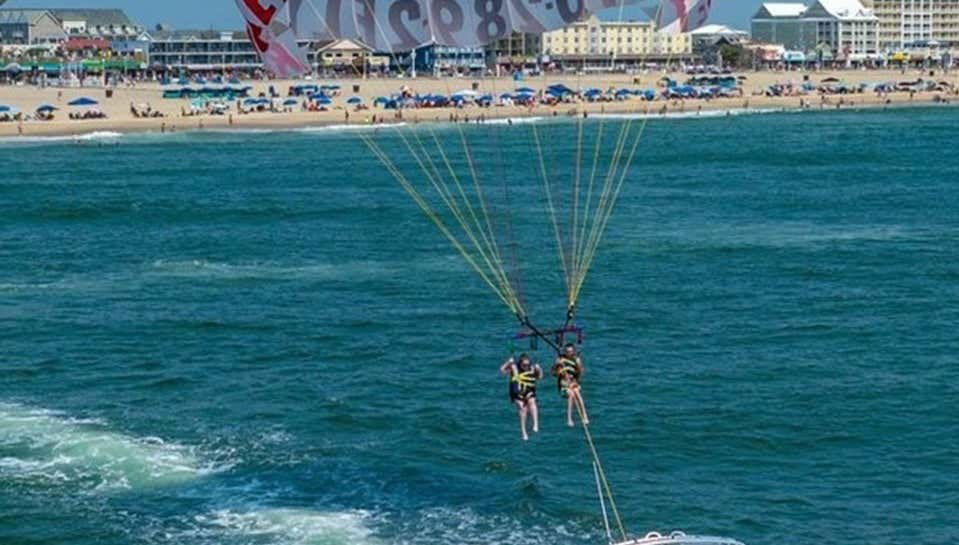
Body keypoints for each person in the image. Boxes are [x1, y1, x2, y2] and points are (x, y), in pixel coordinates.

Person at [500, 353, 542, 441]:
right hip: (517, 391)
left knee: (532, 402)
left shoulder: (532, 367)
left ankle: (535, 424)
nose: (526, 366)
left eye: (527, 365)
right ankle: (523, 432)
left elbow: (540, 377)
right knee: (522, 408)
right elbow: (502, 371)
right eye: (524, 365)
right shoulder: (514, 367)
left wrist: (539, 369)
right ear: (520, 363)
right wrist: (508, 362)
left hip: (528, 390)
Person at [552, 343, 589, 427]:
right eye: (567, 351)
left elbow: (580, 373)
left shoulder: (576, 359)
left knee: (577, 392)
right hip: (563, 384)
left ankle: (585, 416)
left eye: (570, 351)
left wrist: (578, 365)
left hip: (573, 382)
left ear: (573, 352)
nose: (568, 353)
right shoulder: (560, 359)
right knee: (570, 394)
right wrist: (557, 364)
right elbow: (554, 373)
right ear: (565, 351)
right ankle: (569, 419)